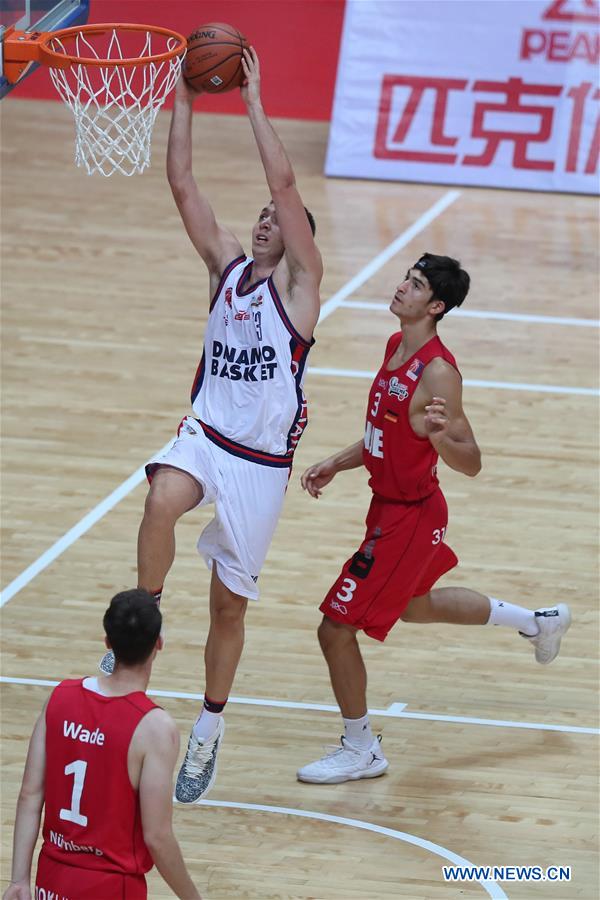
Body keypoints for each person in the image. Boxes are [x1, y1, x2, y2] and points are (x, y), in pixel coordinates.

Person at [99, 47, 322, 805]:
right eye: (259, 215)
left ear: (297, 242)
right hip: (207, 435)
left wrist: (253, 100)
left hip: (259, 464)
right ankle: (144, 615)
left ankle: (209, 727)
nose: (264, 220)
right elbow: (183, 183)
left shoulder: (301, 292)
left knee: (229, 607)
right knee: (161, 497)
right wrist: (185, 98)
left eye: (276, 220)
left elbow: (285, 185)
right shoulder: (225, 267)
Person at [296, 253, 572, 785]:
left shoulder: (439, 372)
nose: (402, 287)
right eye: (407, 278)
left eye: (416, 284)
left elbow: (472, 461)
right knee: (416, 606)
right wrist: (337, 461)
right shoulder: (394, 346)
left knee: (335, 628)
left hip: (410, 519)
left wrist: (441, 438)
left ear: (436, 306)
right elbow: (386, 433)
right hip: (389, 507)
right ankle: (539, 623)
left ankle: (361, 749)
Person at [3, 589, 202, 900]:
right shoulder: (155, 728)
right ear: (158, 644)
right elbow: (157, 837)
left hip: (50, 882)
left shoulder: (59, 698)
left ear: (108, 642)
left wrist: (19, 880)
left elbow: (30, 794)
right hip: (111, 887)